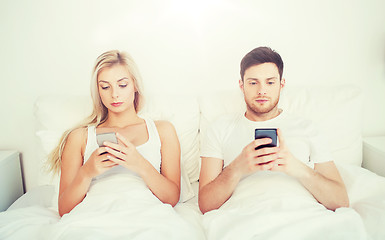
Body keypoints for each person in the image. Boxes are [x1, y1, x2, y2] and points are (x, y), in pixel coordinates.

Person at [198, 46, 350, 214]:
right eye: (253, 82)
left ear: (281, 84)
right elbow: (205, 204)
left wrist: (296, 168)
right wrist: (237, 168)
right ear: (241, 85)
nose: (262, 90)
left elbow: (340, 201)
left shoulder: (307, 128)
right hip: (243, 217)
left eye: (270, 82)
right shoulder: (220, 128)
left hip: (302, 214)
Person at [47, 50, 181, 216]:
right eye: (105, 87)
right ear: (98, 91)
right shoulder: (79, 137)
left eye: (122, 85)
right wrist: (86, 172)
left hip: (145, 213)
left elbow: (172, 198)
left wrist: (140, 163)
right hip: (94, 215)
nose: (114, 94)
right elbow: (64, 209)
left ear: (135, 85)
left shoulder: (163, 130)